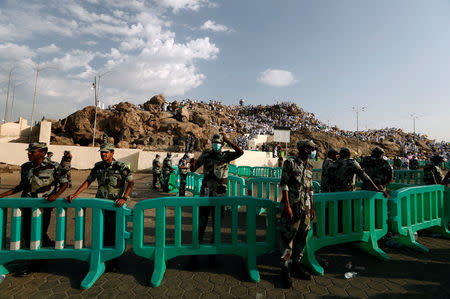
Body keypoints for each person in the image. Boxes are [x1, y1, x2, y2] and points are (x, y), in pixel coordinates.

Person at [0, 142, 68, 276]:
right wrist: (3, 195)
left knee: (38, 233)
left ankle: (34, 264)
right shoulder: (25, 167)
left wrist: (56, 195)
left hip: (43, 207)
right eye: (29, 151)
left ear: (42, 152)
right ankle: (44, 247)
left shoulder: (54, 166)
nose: (29, 153)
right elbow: (21, 186)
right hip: (26, 205)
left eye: (32, 151)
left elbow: (64, 183)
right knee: (27, 234)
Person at [65, 142, 134, 272]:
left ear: (112, 153)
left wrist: (124, 198)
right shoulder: (98, 167)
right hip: (100, 206)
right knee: (101, 231)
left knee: (115, 232)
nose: (103, 154)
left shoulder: (121, 166)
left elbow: (131, 182)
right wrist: (75, 194)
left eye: (106, 152)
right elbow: (88, 181)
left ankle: (115, 259)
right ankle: (103, 257)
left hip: (115, 206)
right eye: (102, 152)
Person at [188, 133, 243, 266]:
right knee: (201, 224)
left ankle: (213, 254)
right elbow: (194, 168)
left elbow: (240, 152)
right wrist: (192, 162)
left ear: (222, 144)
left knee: (216, 225)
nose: (215, 145)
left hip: (220, 193)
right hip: (206, 192)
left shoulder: (227, 155)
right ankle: (195, 253)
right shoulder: (206, 155)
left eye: (218, 143)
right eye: (214, 142)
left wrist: (228, 140)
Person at [279, 140, 317, 288]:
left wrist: (312, 207)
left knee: (302, 236)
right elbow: (284, 184)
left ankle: (296, 263)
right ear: (302, 148)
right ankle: (285, 267)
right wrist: (287, 205)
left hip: (305, 209)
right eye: (309, 148)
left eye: (312, 149)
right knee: (288, 237)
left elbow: (311, 188)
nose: (311, 151)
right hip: (293, 207)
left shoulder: (310, 167)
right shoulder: (290, 163)